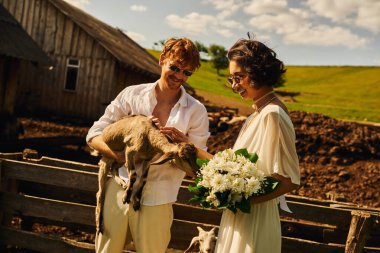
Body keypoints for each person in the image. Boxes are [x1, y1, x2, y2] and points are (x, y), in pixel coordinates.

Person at [86, 37, 210, 253]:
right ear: (162, 60)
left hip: (159, 197)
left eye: (187, 72)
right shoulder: (132, 95)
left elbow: (197, 167)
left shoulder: (196, 111)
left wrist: (183, 144)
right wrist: (118, 155)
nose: (180, 76)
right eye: (175, 67)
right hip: (119, 187)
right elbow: (94, 134)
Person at [197, 36, 300, 253]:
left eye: (239, 77)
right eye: (231, 79)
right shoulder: (257, 113)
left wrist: (238, 199)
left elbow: (289, 181)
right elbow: (233, 168)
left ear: (257, 72)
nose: (234, 86)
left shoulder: (273, 115)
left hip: (255, 222)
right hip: (239, 218)